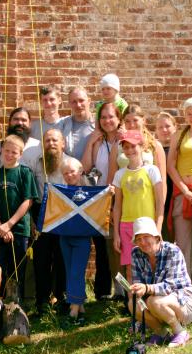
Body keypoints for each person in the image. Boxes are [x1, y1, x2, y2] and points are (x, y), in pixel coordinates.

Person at [128, 217, 192, 347]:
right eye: (138, 239)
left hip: (184, 301)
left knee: (155, 301)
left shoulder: (172, 250)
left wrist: (146, 288)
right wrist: (137, 291)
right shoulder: (136, 253)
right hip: (157, 302)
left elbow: (170, 285)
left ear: (156, 237)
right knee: (133, 303)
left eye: (146, 237)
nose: (142, 242)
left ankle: (180, 332)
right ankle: (161, 333)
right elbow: (139, 282)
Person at [0, 135, 38, 301]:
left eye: (14, 152)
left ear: (20, 154)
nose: (9, 155)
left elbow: (28, 201)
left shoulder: (25, 173)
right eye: (6, 151)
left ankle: (17, 303)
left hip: (19, 229)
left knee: (18, 268)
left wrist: (9, 224)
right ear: (1, 151)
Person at [81, 102, 123, 300]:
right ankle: (107, 290)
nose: (107, 121)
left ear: (119, 119)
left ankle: (125, 288)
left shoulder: (124, 141)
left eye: (111, 116)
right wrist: (90, 142)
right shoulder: (97, 141)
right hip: (100, 199)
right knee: (103, 247)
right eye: (103, 117)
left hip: (121, 197)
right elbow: (85, 168)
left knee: (120, 245)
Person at [166, 98, 192, 291]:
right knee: (183, 243)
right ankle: (184, 286)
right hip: (182, 193)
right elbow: (170, 166)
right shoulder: (178, 136)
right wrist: (185, 190)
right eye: (189, 114)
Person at [112, 130, 164, 281]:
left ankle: (149, 294)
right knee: (130, 268)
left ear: (142, 146)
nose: (130, 150)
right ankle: (132, 296)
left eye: (133, 146)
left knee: (151, 264)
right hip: (127, 225)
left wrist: (158, 228)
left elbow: (160, 202)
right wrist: (116, 234)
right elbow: (117, 206)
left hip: (148, 225)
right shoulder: (119, 174)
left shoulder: (152, 170)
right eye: (126, 147)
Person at [30, 128, 69, 313]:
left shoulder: (71, 163)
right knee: (41, 259)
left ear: (63, 143)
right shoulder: (36, 164)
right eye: (47, 140)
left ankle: (60, 297)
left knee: (62, 258)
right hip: (41, 213)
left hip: (64, 213)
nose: (51, 143)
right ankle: (42, 301)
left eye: (55, 140)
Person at [58, 157, 93, 325]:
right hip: (65, 237)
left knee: (76, 272)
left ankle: (73, 310)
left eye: (72, 171)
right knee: (69, 270)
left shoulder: (90, 192)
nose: (69, 175)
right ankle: (81, 306)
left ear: (80, 171)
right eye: (65, 173)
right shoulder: (61, 192)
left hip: (82, 238)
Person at [110, 104, 167, 195]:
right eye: (127, 121)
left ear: (143, 120)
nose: (131, 125)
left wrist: (160, 203)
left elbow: (162, 181)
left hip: (148, 199)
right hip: (125, 199)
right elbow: (111, 179)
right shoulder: (117, 146)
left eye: (135, 120)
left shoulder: (155, 145)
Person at [0, 107, 41, 179]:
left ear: (29, 124)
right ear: (10, 122)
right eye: (16, 119)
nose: (19, 123)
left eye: (24, 120)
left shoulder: (38, 146)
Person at [155, 111, 178, 240]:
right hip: (161, 200)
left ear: (175, 127)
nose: (164, 130)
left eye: (168, 126)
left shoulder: (180, 149)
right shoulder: (152, 150)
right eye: (160, 127)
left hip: (178, 198)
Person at [63, 87, 95, 160]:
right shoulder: (64, 124)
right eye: (74, 102)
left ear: (89, 101)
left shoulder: (98, 125)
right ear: (69, 104)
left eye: (81, 100)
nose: (78, 105)